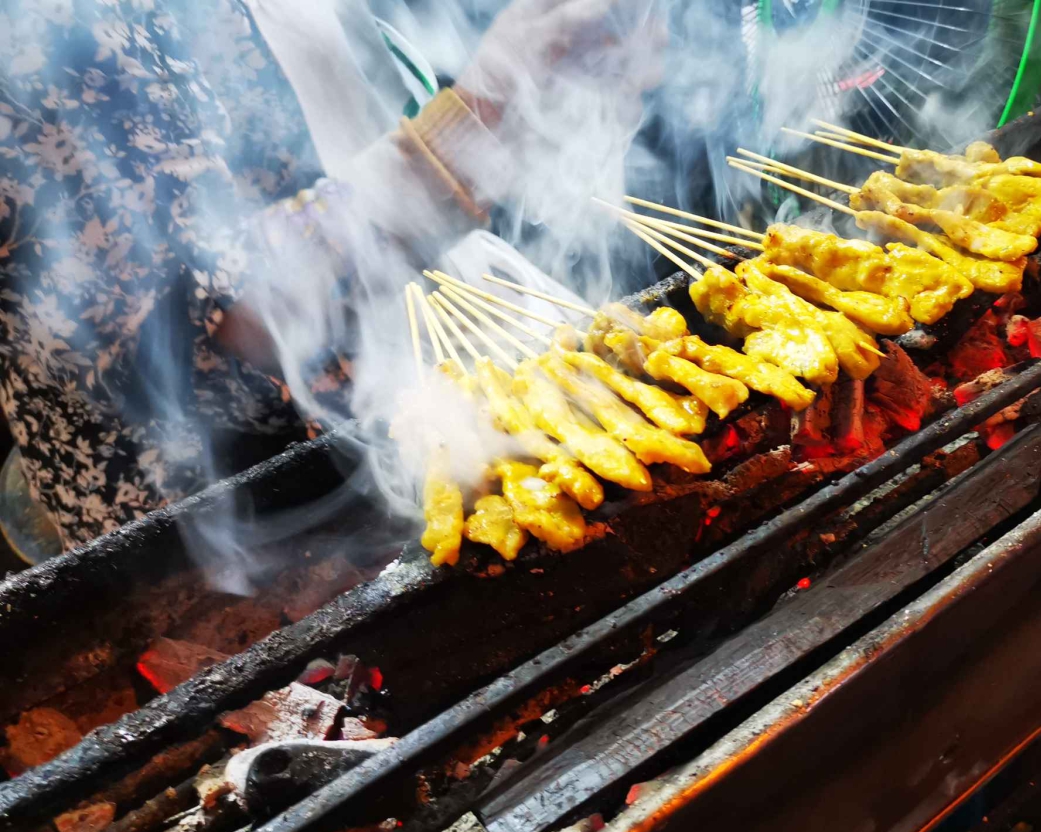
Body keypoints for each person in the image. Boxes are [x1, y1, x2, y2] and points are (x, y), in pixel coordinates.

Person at [0, 0, 661, 554]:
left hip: (425, 391)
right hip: (250, 530)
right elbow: (224, 319)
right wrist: (487, 109)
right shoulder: (38, 26)